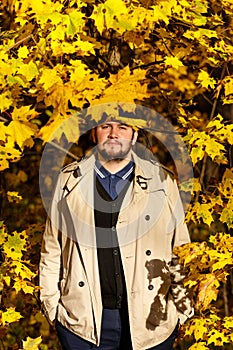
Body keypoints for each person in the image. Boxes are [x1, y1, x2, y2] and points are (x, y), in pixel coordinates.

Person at [39, 111, 193, 350]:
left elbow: (181, 248)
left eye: (123, 127)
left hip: (151, 321)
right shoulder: (68, 181)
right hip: (83, 323)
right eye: (105, 126)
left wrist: (181, 310)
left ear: (134, 135)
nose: (113, 134)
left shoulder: (161, 182)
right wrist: (52, 307)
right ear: (93, 133)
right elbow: (52, 250)